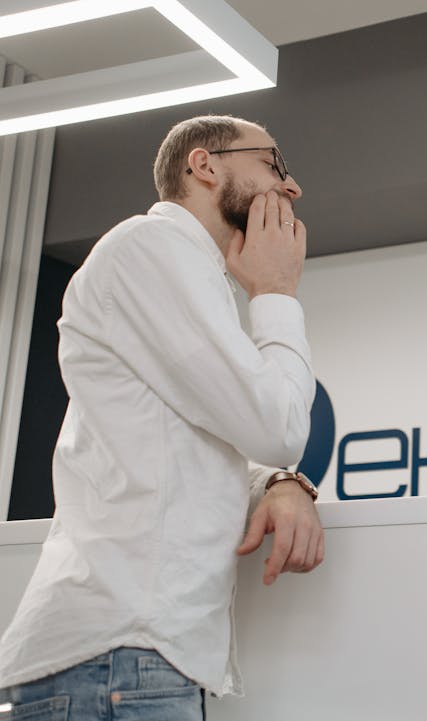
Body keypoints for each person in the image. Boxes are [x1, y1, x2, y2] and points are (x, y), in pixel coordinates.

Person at [0, 115, 323, 720]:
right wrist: (277, 293)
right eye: (273, 164)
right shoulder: (151, 248)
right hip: (118, 657)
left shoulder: (181, 271)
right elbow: (277, 429)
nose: (292, 187)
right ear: (203, 166)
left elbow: (186, 445)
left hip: (126, 659)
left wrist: (278, 482)